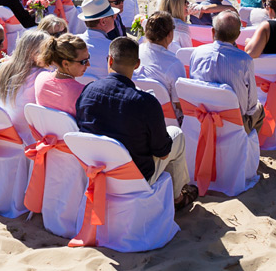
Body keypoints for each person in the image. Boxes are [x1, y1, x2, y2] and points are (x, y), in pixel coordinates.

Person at [76, 37, 198, 211]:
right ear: (137, 64)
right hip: (134, 176)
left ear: (109, 59)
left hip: (96, 168)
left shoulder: (88, 91)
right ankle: (178, 197)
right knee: (176, 134)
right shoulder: (146, 102)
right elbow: (162, 153)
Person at [189, 12, 265, 134]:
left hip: (200, 119)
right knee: (259, 109)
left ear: (213, 32)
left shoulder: (196, 53)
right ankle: (247, 148)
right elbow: (250, 107)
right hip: (234, 126)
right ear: (238, 35)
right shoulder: (244, 60)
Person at [0, 30, 51, 143]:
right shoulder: (41, 75)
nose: (50, 55)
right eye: (47, 51)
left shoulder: (4, 68)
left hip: (4, 132)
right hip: (27, 139)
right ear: (33, 53)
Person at [135, 11, 184, 108]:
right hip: (166, 119)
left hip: (137, 111)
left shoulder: (136, 51)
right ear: (170, 34)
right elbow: (179, 103)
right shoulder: (174, 64)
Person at [34, 33, 89, 115]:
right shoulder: (82, 93)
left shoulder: (40, 78)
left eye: (88, 58)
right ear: (66, 64)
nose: (88, 64)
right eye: (83, 61)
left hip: (44, 128)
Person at [78, 0, 118, 77]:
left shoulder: (72, 43)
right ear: (103, 21)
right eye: (112, 16)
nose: (115, 18)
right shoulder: (113, 48)